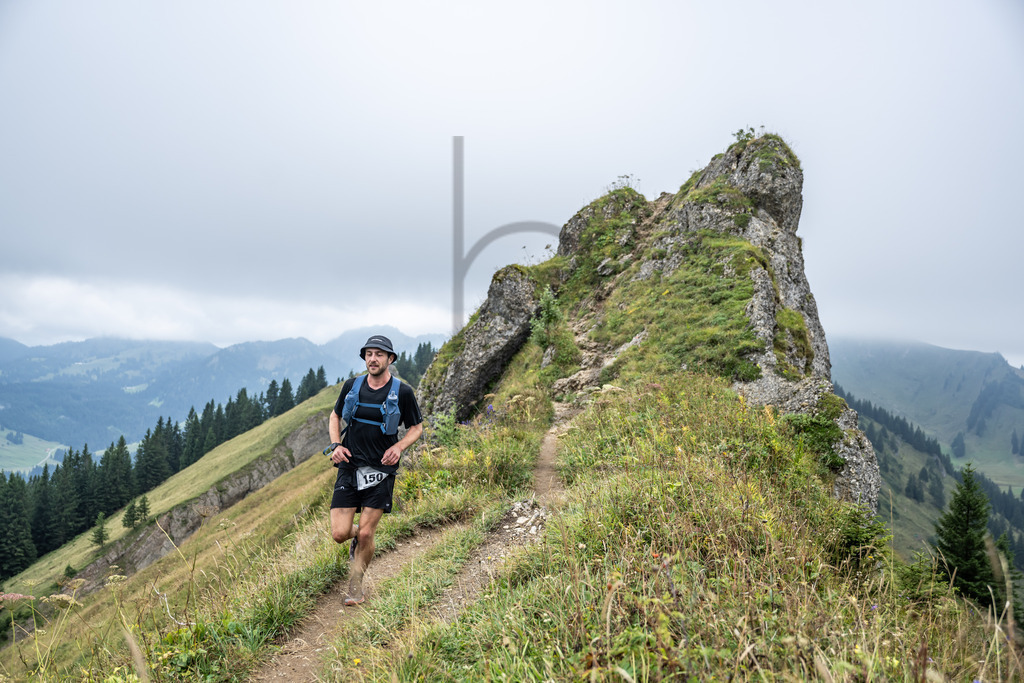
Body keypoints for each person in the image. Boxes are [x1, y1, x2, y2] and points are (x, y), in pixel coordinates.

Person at [326, 334, 423, 606]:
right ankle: (357, 539)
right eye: (369, 354)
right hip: (349, 466)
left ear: (390, 359)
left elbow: (416, 427)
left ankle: (356, 585)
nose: (373, 359)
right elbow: (335, 416)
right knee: (339, 534)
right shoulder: (351, 386)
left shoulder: (402, 392)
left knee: (368, 532)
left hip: (381, 470)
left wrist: (400, 447)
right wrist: (335, 444)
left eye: (379, 354)